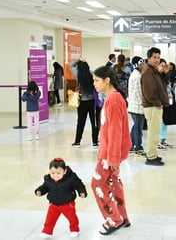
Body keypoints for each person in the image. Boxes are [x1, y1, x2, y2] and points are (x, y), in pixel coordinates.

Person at [92, 65, 132, 235]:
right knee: (113, 184)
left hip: (110, 154)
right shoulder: (112, 98)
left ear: (107, 81)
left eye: (97, 81)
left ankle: (114, 219)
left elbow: (115, 132)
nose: (94, 84)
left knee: (98, 184)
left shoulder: (113, 100)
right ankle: (122, 217)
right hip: (110, 152)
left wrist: (112, 159)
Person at [35, 157, 87, 238]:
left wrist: (82, 192)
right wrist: (39, 191)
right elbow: (45, 187)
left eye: (58, 173)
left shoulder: (71, 178)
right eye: (53, 173)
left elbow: (79, 184)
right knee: (50, 219)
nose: (55, 175)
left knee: (72, 218)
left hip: (67, 204)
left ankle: (74, 229)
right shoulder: (48, 179)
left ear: (64, 171)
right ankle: (47, 231)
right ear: (49, 171)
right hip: (53, 204)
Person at [141, 47, 168, 166]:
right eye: (154, 57)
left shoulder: (154, 70)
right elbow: (149, 92)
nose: (157, 60)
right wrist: (158, 103)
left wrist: (163, 73)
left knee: (155, 132)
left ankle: (153, 154)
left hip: (155, 105)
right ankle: (151, 157)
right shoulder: (148, 71)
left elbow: (163, 84)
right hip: (152, 106)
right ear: (149, 58)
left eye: (158, 57)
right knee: (153, 132)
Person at [69, 58, 99, 148]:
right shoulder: (91, 73)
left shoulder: (77, 74)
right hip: (92, 101)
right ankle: (95, 142)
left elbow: (71, 65)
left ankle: (77, 142)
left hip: (82, 101)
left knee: (81, 122)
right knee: (94, 122)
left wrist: (78, 59)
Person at [128, 56, 147, 156]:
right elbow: (139, 93)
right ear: (138, 65)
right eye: (142, 64)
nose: (144, 65)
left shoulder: (137, 74)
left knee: (136, 126)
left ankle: (130, 145)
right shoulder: (137, 76)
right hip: (137, 106)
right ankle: (138, 147)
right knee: (138, 129)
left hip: (135, 106)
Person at [157, 59, 174, 150]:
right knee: (159, 123)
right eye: (161, 65)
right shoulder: (155, 76)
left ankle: (163, 140)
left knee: (164, 122)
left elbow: (168, 86)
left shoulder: (164, 76)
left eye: (165, 65)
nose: (163, 67)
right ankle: (158, 142)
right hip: (158, 102)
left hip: (165, 102)